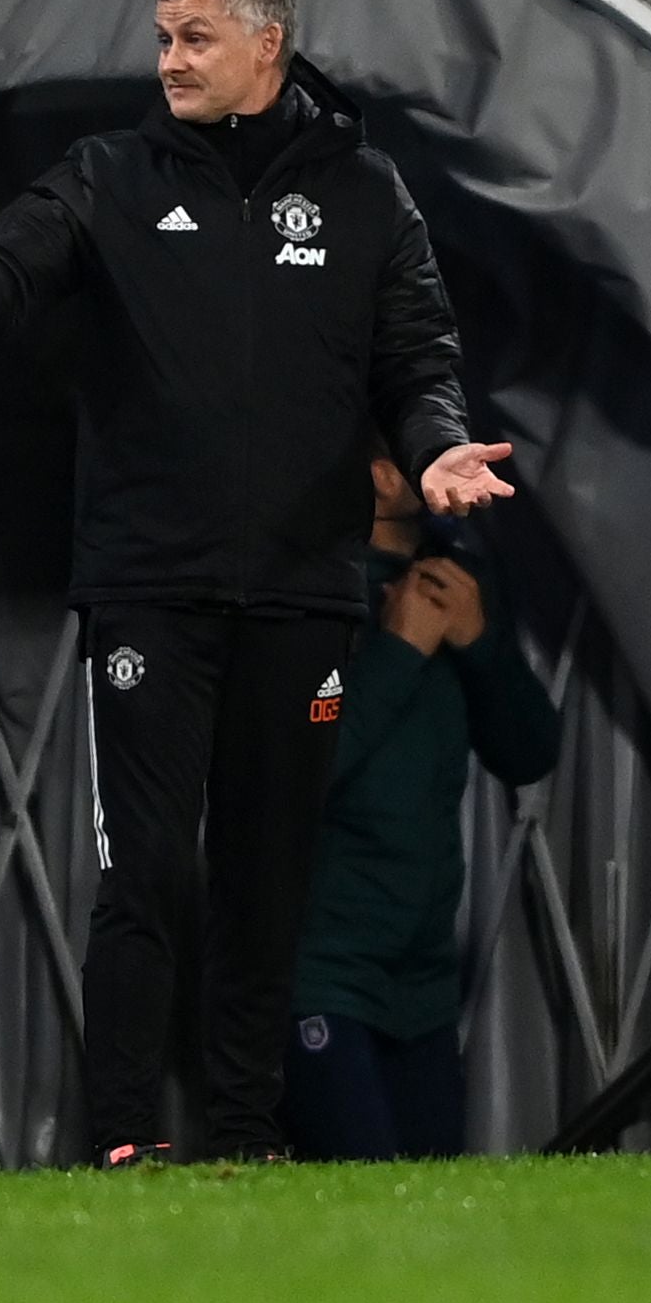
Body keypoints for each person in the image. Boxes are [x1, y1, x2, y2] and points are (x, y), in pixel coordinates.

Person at [0, 0, 514, 1164]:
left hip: (306, 591)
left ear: (267, 45)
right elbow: (12, 268)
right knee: (145, 873)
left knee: (267, 878)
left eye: (194, 38)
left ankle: (247, 1137)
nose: (168, 61)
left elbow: (417, 363)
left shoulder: (367, 193)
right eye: (162, 38)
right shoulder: (111, 175)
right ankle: (122, 1143)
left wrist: (438, 454)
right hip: (149, 589)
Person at [282, 443, 558, 1161]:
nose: (461, 462)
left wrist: (481, 645)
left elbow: (531, 753)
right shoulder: (306, 591)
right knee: (353, 1218)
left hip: (424, 986)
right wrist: (398, 651)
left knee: (433, 1227)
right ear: (377, 473)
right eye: (430, 446)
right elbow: (289, 775)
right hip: (320, 969)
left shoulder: (453, 582)